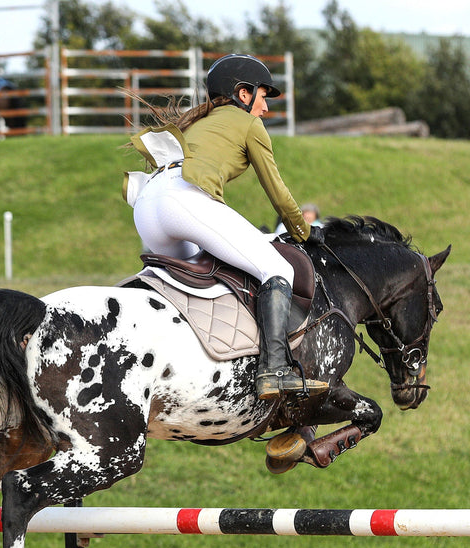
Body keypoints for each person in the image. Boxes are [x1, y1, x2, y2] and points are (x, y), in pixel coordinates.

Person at [123, 53, 328, 400]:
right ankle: (274, 369)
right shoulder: (248, 124)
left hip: (147, 204)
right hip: (182, 199)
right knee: (276, 267)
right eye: (263, 96)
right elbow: (277, 193)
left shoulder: (201, 121)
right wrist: (304, 232)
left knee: (195, 283)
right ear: (243, 94)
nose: (265, 108)